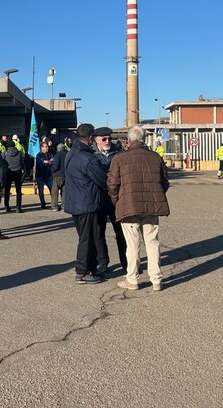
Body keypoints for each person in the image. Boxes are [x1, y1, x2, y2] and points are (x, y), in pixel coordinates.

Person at [108, 125, 170, 292]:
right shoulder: (156, 157)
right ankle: (156, 280)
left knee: (132, 244)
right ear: (143, 139)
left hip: (129, 207)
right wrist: (155, 196)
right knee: (152, 242)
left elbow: (112, 185)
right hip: (152, 207)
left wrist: (118, 201)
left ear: (129, 140)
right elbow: (165, 183)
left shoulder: (120, 158)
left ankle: (132, 279)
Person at [64, 123, 108, 285]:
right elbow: (102, 181)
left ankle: (90, 268)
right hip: (87, 203)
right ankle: (82, 271)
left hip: (75, 202)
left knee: (86, 237)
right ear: (90, 138)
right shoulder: (88, 158)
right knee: (87, 239)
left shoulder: (71, 153)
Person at [92, 126, 125, 274]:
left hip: (116, 199)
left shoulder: (119, 153)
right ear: (96, 139)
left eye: (109, 138)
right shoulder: (91, 154)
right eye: (104, 139)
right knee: (99, 233)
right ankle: (103, 262)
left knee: (121, 232)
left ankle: (126, 262)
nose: (107, 141)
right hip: (99, 198)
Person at [3, 140, 24, 213]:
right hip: (18, 172)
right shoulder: (19, 153)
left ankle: (6, 206)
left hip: (8, 172)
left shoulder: (5, 154)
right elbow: (22, 162)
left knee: (7, 190)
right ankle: (18, 207)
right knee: (18, 190)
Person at [34, 141, 54, 210]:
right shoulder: (39, 155)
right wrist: (48, 162)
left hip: (48, 175)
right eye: (46, 147)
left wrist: (47, 162)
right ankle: (43, 204)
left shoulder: (50, 154)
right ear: (42, 148)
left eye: (47, 146)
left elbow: (53, 162)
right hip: (40, 176)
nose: (47, 148)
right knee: (41, 190)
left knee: (52, 189)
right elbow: (42, 164)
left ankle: (53, 203)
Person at [50, 143, 66, 211]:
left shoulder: (57, 155)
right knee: (64, 192)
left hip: (57, 175)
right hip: (65, 175)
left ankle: (55, 206)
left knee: (55, 192)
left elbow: (55, 166)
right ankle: (64, 206)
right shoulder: (68, 154)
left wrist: (51, 170)